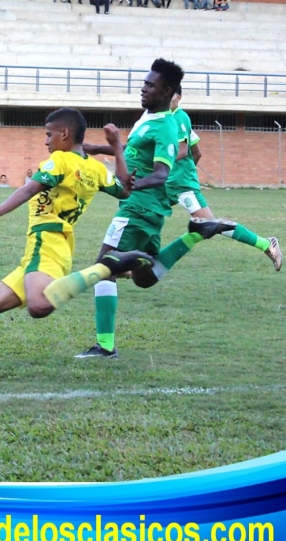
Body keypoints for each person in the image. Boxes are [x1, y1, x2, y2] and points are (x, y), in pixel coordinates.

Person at [0, 108, 147, 378]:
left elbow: (28, 189)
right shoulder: (95, 168)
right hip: (52, 248)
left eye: (49, 135)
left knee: (38, 306)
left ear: (64, 134)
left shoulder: (59, 161)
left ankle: (106, 267)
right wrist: (117, 147)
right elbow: (125, 189)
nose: (46, 141)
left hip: (45, 242)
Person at [47, 59, 236, 359]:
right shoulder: (150, 118)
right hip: (151, 208)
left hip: (138, 207)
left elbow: (162, 172)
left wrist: (130, 186)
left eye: (150, 85)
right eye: (144, 83)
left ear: (167, 91)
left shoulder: (165, 126)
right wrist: (103, 148)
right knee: (144, 277)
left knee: (104, 265)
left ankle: (105, 346)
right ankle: (195, 234)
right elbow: (137, 152)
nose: (143, 88)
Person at [167, 86, 282, 270]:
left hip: (181, 186)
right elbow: (197, 152)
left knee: (211, 224)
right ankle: (131, 260)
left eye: (170, 92)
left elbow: (183, 151)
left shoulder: (179, 117)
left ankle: (266, 244)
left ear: (178, 97)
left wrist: (180, 173)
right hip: (168, 183)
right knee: (144, 212)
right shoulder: (165, 118)